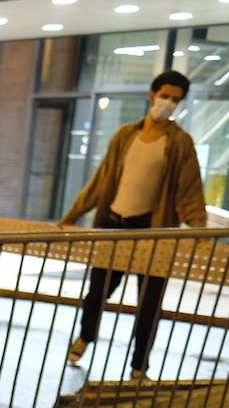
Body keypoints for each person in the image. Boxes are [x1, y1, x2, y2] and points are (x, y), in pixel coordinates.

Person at [59, 69, 206, 380]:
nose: (168, 103)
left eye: (175, 100)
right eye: (164, 96)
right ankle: (86, 337)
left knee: (150, 303)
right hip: (114, 224)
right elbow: (102, 181)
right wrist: (75, 213)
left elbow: (189, 189)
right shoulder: (126, 135)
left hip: (155, 231)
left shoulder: (180, 143)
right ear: (152, 95)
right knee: (97, 292)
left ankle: (140, 366)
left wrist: (199, 227)